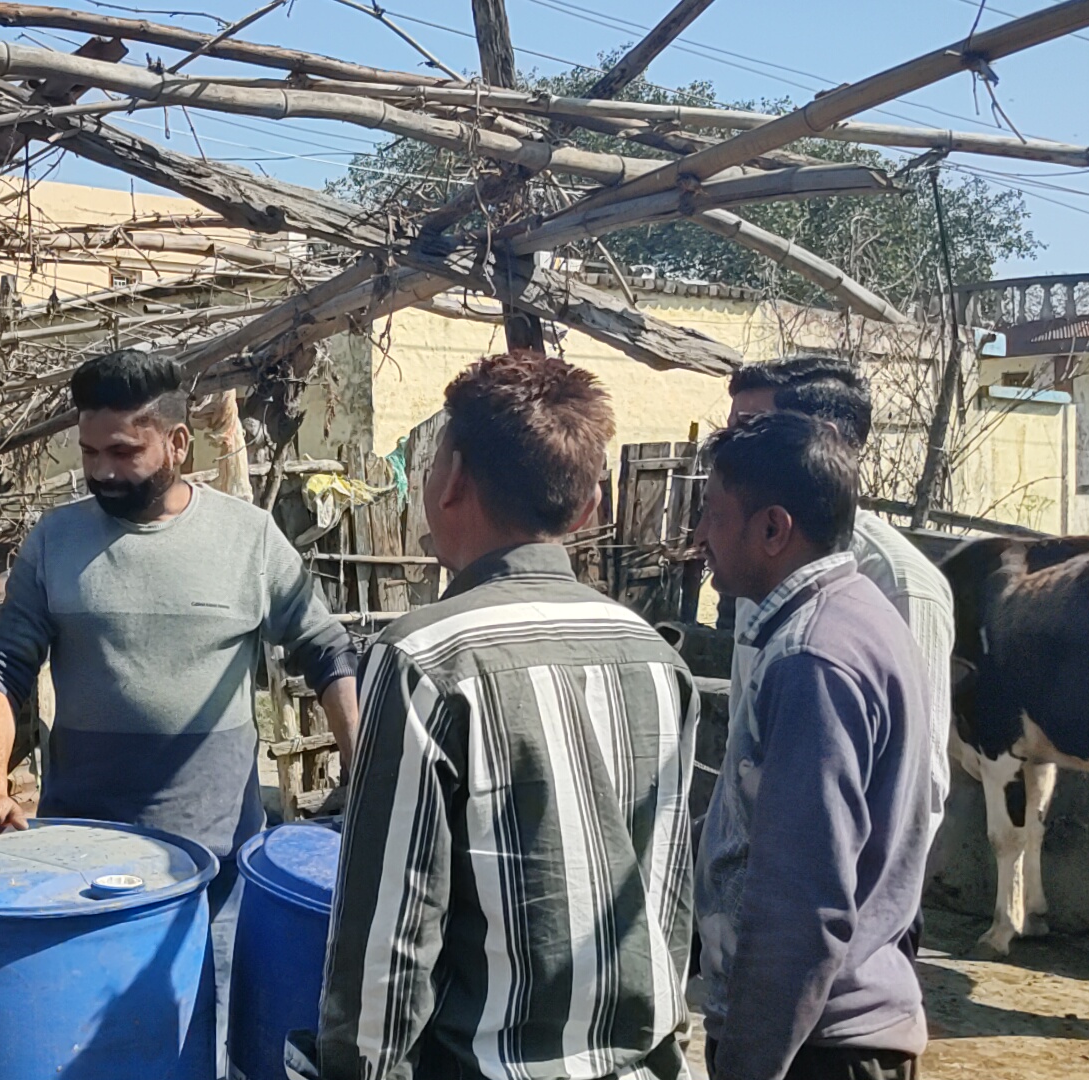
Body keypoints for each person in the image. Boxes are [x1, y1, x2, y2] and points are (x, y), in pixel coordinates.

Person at [296, 350, 699, 1080]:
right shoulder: (654, 657)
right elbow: (666, 895)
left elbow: (390, 933)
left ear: (449, 481)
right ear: (587, 508)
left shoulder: (425, 656)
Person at [0, 349, 360, 1062]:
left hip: (221, 872)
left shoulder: (248, 539)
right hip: (82, 868)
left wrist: (364, 769)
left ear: (178, 443)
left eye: (123, 451)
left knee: (214, 1047)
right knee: (94, 1055)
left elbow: (326, 653)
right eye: (88, 451)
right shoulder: (56, 542)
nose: (102, 469)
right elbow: (2, 664)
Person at [694, 412, 931, 1080]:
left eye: (714, 514)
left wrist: (748, 1063)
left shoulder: (811, 657)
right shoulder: (860, 615)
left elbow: (803, 902)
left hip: (817, 1048)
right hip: (842, 1027)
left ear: (772, 528)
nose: (701, 536)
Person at [726, 356, 954, 842]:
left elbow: (918, 790)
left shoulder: (898, 584)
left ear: (823, 438)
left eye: (751, 429)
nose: (730, 450)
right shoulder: (761, 564)